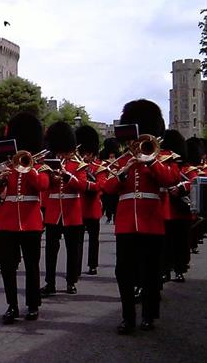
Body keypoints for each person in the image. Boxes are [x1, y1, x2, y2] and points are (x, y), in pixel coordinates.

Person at [103, 99, 177, 334]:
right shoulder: (124, 160)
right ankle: (128, 317)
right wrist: (124, 172)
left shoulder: (164, 156)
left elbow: (169, 179)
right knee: (123, 271)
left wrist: (150, 160)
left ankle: (148, 315)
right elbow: (108, 186)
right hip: (126, 223)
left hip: (152, 220)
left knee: (151, 272)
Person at [0, 112, 49, 324]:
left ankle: (33, 305)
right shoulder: (8, 167)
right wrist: (1, 180)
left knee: (31, 266)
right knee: (8, 267)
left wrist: (28, 169)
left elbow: (42, 186)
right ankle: (12, 305)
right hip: (8, 222)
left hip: (31, 222)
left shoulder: (40, 166)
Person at [40, 121, 87, 297]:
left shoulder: (78, 165)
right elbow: (45, 187)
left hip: (71, 212)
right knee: (51, 250)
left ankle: (71, 281)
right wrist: (52, 177)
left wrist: (67, 177)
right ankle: (49, 282)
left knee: (72, 250)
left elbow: (82, 186)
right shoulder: (50, 163)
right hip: (53, 212)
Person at [158, 130, 190, 283]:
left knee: (180, 241)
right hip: (165, 206)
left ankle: (179, 269)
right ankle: (165, 269)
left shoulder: (183, 163)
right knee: (165, 242)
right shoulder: (162, 158)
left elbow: (194, 181)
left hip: (180, 208)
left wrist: (182, 188)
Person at [75, 126, 107, 276]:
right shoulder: (78, 167)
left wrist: (88, 183)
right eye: (83, 153)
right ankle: (76, 265)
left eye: (87, 154)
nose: (84, 156)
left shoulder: (99, 168)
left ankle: (92, 265)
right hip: (80, 206)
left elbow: (101, 185)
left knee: (94, 239)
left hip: (93, 206)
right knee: (78, 240)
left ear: (92, 153)